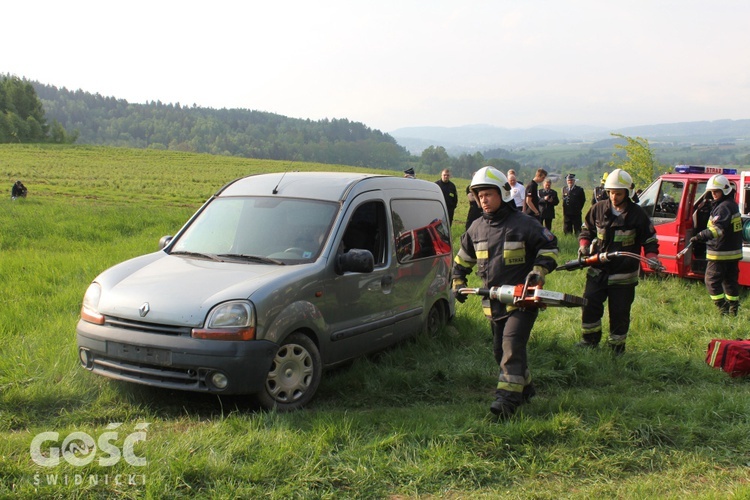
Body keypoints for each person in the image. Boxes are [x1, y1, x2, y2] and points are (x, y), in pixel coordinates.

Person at [452, 166, 558, 419]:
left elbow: (550, 247)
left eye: (488, 194)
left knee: (511, 347)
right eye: (479, 195)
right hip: (492, 305)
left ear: (503, 193)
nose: (483, 200)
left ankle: (507, 402)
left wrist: (539, 271)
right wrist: (457, 281)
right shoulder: (476, 229)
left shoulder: (525, 224)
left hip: (522, 301)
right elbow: (461, 262)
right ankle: (527, 389)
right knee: (501, 352)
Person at [577, 168, 660, 355]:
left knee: (620, 313)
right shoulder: (598, 209)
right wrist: (584, 245)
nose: (614, 197)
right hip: (597, 271)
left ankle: (616, 348)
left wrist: (652, 257)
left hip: (624, 275)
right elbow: (586, 230)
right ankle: (589, 341)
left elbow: (649, 240)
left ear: (627, 193)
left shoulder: (637, 215)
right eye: (611, 193)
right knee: (589, 305)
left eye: (618, 193)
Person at [690, 174, 742, 316]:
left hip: (720, 253)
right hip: (733, 252)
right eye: (712, 192)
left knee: (711, 282)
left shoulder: (723, 207)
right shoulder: (731, 205)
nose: (713, 195)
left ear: (724, 190)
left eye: (716, 191)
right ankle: (733, 311)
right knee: (730, 282)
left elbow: (717, 229)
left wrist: (700, 236)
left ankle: (722, 308)